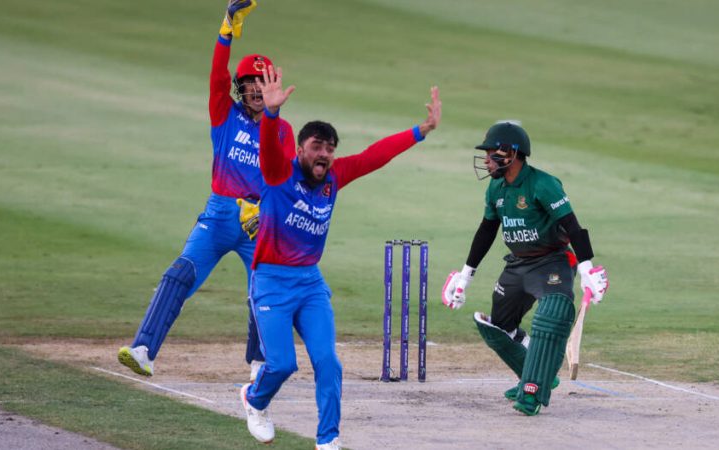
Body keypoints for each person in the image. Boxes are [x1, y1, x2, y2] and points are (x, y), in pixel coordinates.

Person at [237, 67, 440, 449]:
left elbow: (375, 156)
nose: (325, 154)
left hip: (310, 284)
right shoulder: (279, 173)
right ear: (300, 149)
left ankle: (328, 439)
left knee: (328, 363)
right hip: (271, 282)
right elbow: (267, 147)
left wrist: (421, 130)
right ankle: (254, 399)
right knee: (281, 365)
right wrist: (272, 114)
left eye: (330, 148)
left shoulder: (334, 177)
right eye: (317, 146)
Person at [117, 0, 293, 379]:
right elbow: (216, 72)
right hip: (217, 216)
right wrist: (226, 29)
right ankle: (144, 348)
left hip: (259, 223)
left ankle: (260, 364)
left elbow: (285, 182)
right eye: (250, 85)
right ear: (240, 88)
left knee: (265, 291)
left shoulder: (281, 130)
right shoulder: (223, 114)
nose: (257, 91)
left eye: (263, 84)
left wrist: (264, 210)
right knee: (179, 274)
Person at [441, 121, 609, 416]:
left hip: (551, 262)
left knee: (553, 312)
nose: (486, 160)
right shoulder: (496, 188)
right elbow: (486, 230)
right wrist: (465, 276)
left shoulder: (543, 184)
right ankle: (538, 373)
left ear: (511, 153)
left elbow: (572, 226)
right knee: (494, 326)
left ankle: (532, 390)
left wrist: (586, 269)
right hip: (518, 265)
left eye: (491, 153)